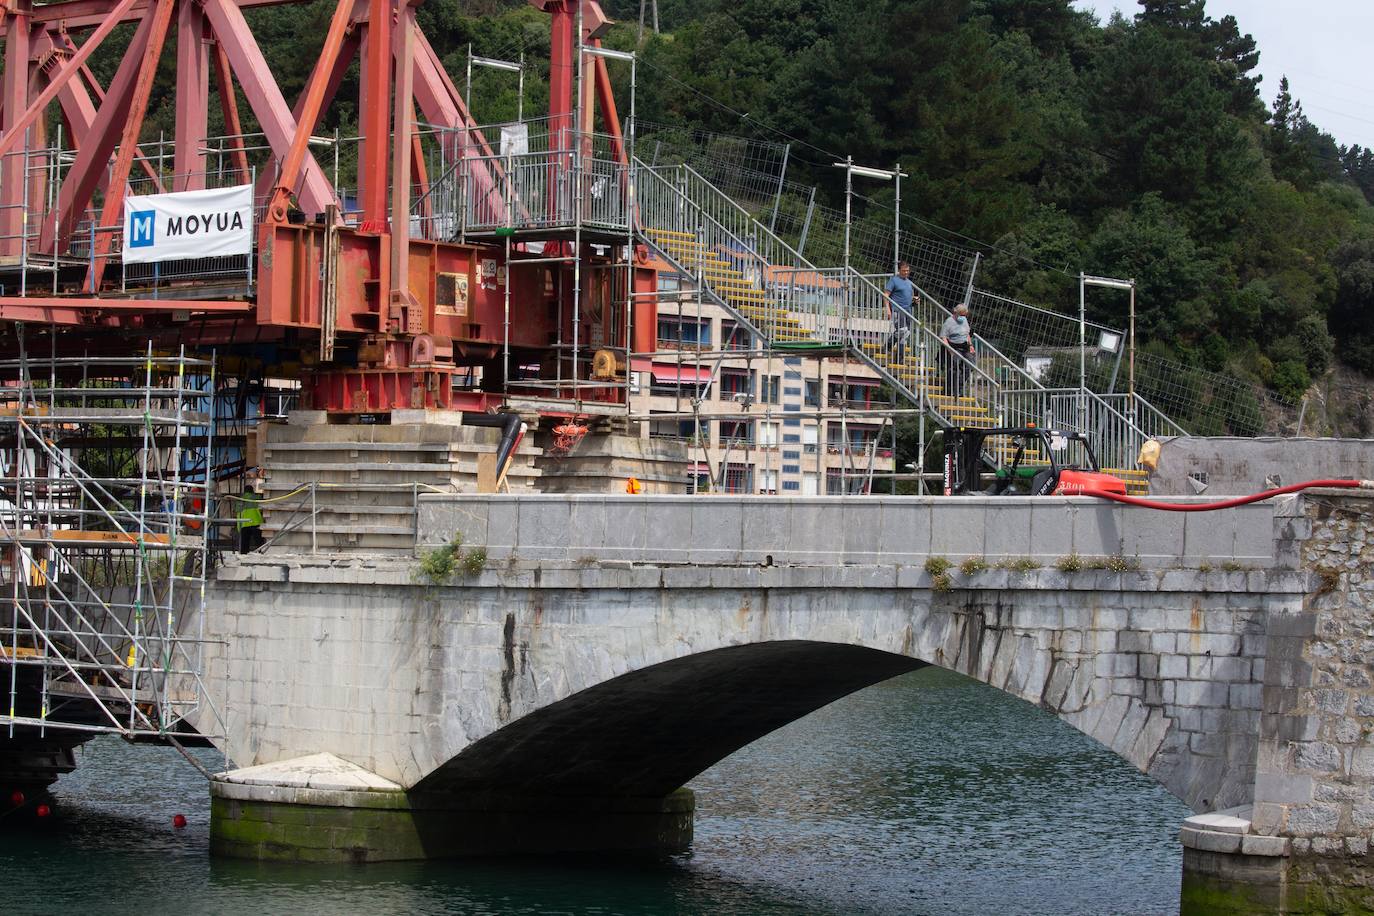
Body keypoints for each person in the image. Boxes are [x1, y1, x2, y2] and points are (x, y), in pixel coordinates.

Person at [940, 304, 975, 398]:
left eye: (965, 315)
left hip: (965, 347)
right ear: (956, 313)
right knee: (954, 367)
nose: (963, 317)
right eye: (962, 315)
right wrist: (950, 349)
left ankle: (959, 386)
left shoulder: (964, 320)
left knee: (970, 365)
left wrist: (971, 345)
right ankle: (950, 389)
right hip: (954, 347)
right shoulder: (949, 322)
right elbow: (943, 337)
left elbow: (967, 334)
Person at [884, 261, 915, 359]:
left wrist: (915, 300)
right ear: (899, 270)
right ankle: (889, 344)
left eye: (907, 271)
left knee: (906, 334)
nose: (906, 272)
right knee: (902, 330)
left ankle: (900, 357)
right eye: (904, 271)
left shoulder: (909, 283)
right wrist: (888, 309)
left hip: (908, 311)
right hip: (897, 309)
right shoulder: (894, 280)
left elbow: (909, 296)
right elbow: (886, 295)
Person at [237, 477, 264, 553]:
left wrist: (238, 527)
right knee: (259, 543)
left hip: (244, 523)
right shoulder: (257, 498)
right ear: (252, 491)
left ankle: (243, 555)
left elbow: (238, 514)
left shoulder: (240, 500)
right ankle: (261, 554)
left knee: (244, 544)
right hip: (256, 522)